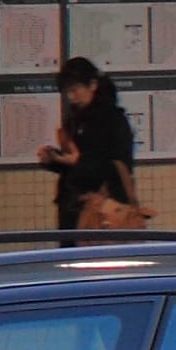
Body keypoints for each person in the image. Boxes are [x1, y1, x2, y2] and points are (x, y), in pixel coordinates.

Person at [40, 55, 140, 232]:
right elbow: (74, 163)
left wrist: (78, 162)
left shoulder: (113, 119)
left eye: (75, 90)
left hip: (105, 209)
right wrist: (54, 160)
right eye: (68, 92)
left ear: (93, 85)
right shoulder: (75, 119)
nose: (72, 97)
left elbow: (119, 165)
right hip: (73, 207)